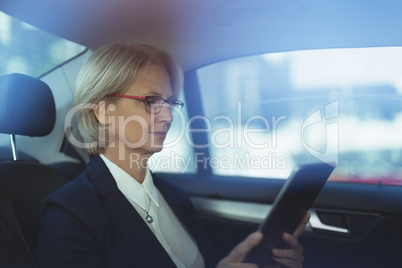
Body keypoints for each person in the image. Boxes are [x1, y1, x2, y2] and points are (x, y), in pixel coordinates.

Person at [36, 42, 309, 268]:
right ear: (104, 111)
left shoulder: (175, 197)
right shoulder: (70, 212)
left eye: (170, 102)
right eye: (151, 102)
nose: (168, 116)